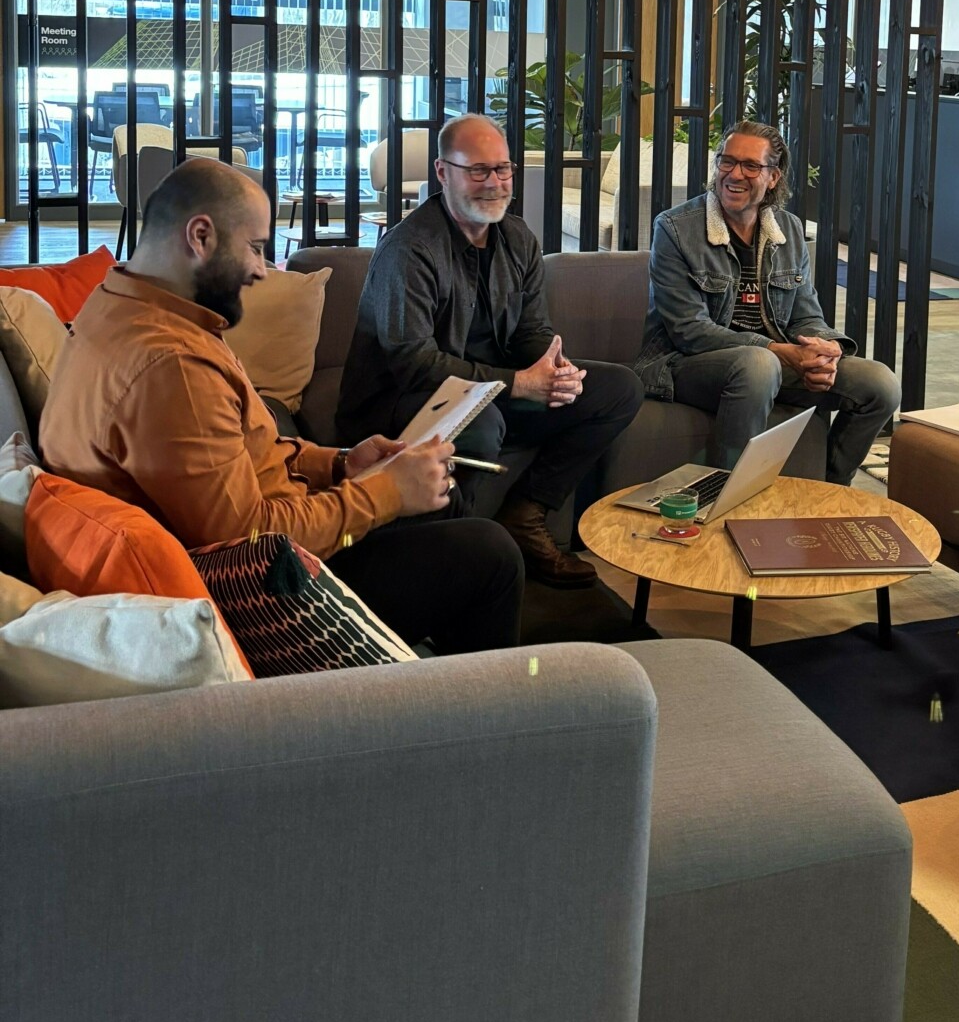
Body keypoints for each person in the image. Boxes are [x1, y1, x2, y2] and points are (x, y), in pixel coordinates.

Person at [41, 158, 525, 655]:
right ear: (200, 236)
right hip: (267, 594)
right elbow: (250, 543)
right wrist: (383, 495)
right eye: (255, 248)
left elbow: (251, 450)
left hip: (274, 539)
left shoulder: (119, 303)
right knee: (491, 556)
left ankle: (416, 672)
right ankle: (479, 708)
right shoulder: (171, 366)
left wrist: (340, 462)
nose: (261, 270)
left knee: (444, 506)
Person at [338, 114, 643, 588]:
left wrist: (554, 367)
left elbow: (531, 331)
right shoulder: (409, 249)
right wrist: (520, 383)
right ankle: (455, 563)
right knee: (480, 423)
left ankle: (526, 514)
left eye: (503, 169)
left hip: (490, 390)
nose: (495, 183)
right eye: (478, 171)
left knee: (618, 388)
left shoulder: (518, 238)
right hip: (399, 403)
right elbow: (412, 363)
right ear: (443, 172)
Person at [636, 121, 901, 483]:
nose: (734, 174)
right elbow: (688, 331)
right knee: (758, 365)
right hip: (686, 365)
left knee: (880, 383)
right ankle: (728, 496)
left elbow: (806, 314)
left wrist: (824, 348)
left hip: (771, 364)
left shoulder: (788, 229)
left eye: (750, 166)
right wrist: (778, 350)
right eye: (726, 162)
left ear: (773, 177)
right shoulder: (675, 228)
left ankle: (827, 487)